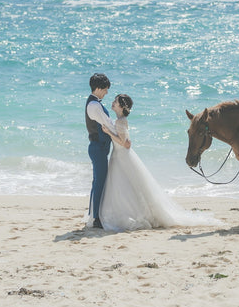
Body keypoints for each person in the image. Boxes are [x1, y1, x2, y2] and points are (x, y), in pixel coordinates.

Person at [97, 93, 220, 232]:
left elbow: (126, 144)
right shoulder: (119, 120)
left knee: (124, 187)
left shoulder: (121, 121)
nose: (113, 102)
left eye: (116, 101)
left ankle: (130, 214)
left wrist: (108, 132)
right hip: (118, 156)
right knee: (124, 188)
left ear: (122, 106)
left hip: (122, 156)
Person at [85, 73, 130, 229]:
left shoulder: (95, 104)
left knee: (97, 182)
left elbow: (108, 124)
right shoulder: (94, 106)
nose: (106, 92)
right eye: (105, 89)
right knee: (99, 183)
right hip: (98, 147)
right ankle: (96, 218)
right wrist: (120, 133)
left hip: (99, 147)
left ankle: (93, 215)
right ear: (98, 88)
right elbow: (108, 124)